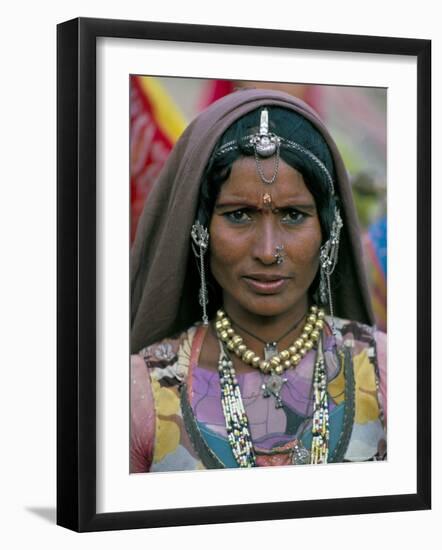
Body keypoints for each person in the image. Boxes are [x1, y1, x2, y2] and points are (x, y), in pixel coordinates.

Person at [130, 88, 387, 473]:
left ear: (329, 231)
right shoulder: (139, 394)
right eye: (239, 215)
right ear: (199, 228)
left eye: (293, 215)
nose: (268, 251)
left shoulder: (390, 372)